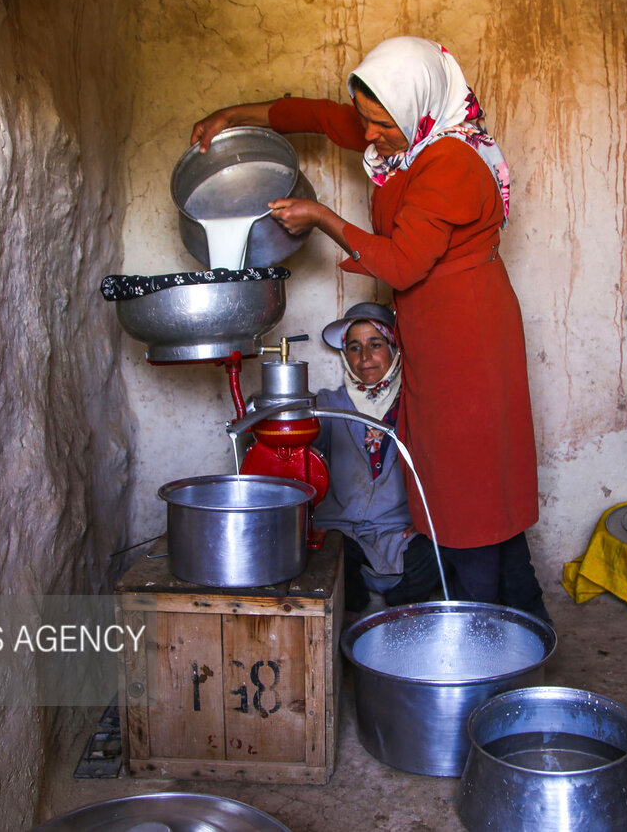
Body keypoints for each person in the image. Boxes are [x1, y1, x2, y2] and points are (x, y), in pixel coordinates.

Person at [191, 36, 550, 624]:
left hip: (469, 335)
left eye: (381, 124)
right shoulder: (404, 137)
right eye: (366, 119)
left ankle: (485, 633)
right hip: (431, 331)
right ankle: (528, 618)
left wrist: (321, 217)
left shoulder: (451, 164)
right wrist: (236, 115)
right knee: (461, 482)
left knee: (470, 487)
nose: (368, 135)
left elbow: (402, 264)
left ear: (419, 110)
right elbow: (317, 116)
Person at [311, 302, 442, 613]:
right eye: (354, 347)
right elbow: (302, 437)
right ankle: (362, 609)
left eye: (376, 344)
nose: (364, 357)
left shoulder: (418, 403)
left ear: (394, 348)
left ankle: (388, 610)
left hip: (399, 532)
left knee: (440, 555)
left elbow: (445, 471)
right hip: (341, 531)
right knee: (328, 563)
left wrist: (427, 520)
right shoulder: (329, 404)